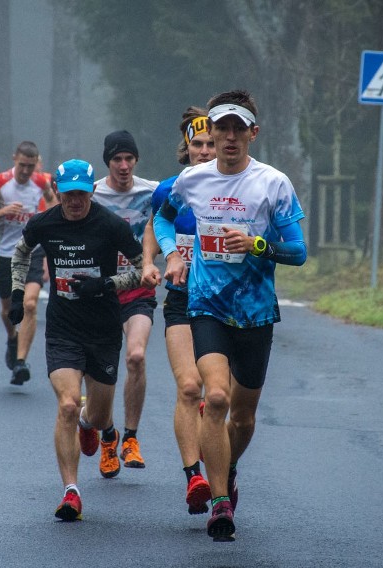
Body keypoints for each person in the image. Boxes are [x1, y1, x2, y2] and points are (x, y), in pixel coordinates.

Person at [154, 90, 307, 539]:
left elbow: (298, 252)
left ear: (253, 134)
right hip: (207, 307)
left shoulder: (273, 183)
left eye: (239, 129)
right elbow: (163, 219)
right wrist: (172, 255)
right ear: (212, 133)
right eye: (222, 128)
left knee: (242, 417)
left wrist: (256, 244)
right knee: (214, 398)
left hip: (256, 313)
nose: (230, 137)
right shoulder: (192, 180)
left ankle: (229, 466)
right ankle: (220, 502)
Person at [9, 158, 144, 521]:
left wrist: (107, 284)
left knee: (98, 416)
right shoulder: (44, 223)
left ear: (92, 192)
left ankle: (90, 424)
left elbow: (142, 270)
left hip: (102, 329)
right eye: (68, 195)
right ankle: (71, 490)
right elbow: (20, 254)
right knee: (67, 404)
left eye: (82, 195)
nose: (75, 202)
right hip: (64, 328)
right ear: (57, 192)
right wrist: (19, 293)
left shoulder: (111, 225)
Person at [141, 106, 215, 516]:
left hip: (226, 305)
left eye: (209, 143)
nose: (204, 151)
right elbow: (155, 224)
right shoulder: (170, 189)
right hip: (182, 299)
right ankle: (195, 478)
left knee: (219, 396)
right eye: (196, 145)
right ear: (184, 150)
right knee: (189, 387)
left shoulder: (239, 188)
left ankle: (225, 472)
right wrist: (151, 261)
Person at [90, 130, 158, 477]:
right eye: (117, 159)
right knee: (102, 373)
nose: (123, 165)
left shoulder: (152, 191)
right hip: (99, 292)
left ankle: (130, 438)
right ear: (108, 162)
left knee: (136, 356)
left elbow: (171, 222)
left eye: (129, 158)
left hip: (137, 289)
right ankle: (107, 435)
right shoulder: (92, 194)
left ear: (136, 160)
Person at [0, 141, 55, 386]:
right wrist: (4, 211)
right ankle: (12, 337)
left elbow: (53, 205)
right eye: (22, 165)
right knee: (9, 310)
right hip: (3, 255)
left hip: (31, 252)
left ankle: (20, 362)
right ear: (14, 160)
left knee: (30, 304)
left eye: (30, 166)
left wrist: (48, 222)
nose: (25, 171)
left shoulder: (41, 182)